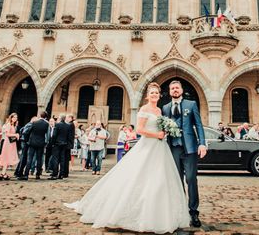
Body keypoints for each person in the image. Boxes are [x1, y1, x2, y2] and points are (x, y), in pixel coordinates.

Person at [65, 82, 190, 233]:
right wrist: (157, 134)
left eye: (156, 93)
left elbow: (161, 126)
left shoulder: (159, 110)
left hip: (159, 147)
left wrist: (165, 131)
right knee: (137, 177)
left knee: (159, 179)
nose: (154, 95)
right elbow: (139, 129)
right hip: (147, 145)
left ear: (160, 95)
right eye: (152, 93)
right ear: (147, 96)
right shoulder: (144, 109)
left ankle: (158, 213)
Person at [162, 79, 207, 228]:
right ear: (169, 92)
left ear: (181, 90)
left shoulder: (191, 104)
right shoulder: (166, 108)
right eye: (172, 88)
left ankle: (193, 212)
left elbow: (199, 125)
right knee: (176, 181)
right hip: (173, 148)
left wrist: (202, 143)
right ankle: (179, 211)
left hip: (190, 148)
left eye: (177, 88)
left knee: (191, 179)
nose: (175, 90)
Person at [23, 112, 49, 180]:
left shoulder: (35, 122)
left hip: (32, 142)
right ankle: (38, 175)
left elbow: (26, 131)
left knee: (30, 158)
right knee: (39, 159)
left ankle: (26, 174)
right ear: (45, 117)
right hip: (41, 143)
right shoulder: (46, 124)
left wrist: (27, 139)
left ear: (40, 115)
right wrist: (46, 142)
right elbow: (48, 135)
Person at [0, 113, 19, 180]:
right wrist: (15, 135)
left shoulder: (13, 125)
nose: (15, 118)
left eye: (16, 117)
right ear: (11, 117)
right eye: (14, 117)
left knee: (8, 157)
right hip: (8, 143)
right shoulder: (9, 124)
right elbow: (7, 134)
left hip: (11, 143)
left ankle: (3, 173)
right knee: (7, 157)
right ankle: (3, 174)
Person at [64, 114, 76, 178]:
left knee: (66, 159)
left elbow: (69, 135)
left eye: (67, 118)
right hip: (69, 144)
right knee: (66, 159)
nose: (66, 119)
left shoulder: (70, 124)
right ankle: (65, 172)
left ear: (70, 118)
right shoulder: (71, 124)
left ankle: (65, 172)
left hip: (67, 144)